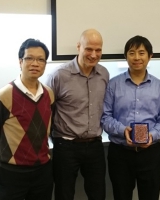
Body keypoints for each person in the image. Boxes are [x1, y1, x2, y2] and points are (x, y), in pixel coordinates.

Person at [101, 35, 160, 200]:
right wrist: (122, 130)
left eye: (141, 53)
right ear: (126, 56)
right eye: (132, 53)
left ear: (150, 56)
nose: (137, 57)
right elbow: (105, 117)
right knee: (121, 196)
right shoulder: (113, 84)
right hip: (120, 153)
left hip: (151, 154)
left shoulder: (159, 86)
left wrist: (151, 135)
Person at [0, 38, 54, 200]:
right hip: (11, 173)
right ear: (20, 61)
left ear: (45, 64)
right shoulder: (2, 97)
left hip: (42, 171)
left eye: (41, 59)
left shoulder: (49, 94)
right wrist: (9, 161)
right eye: (29, 58)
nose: (35, 63)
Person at [44, 29, 109, 200]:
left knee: (98, 194)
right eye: (89, 49)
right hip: (66, 147)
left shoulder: (104, 74)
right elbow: (45, 112)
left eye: (98, 50)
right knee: (64, 194)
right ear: (78, 47)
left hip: (95, 146)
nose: (94, 54)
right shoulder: (58, 75)